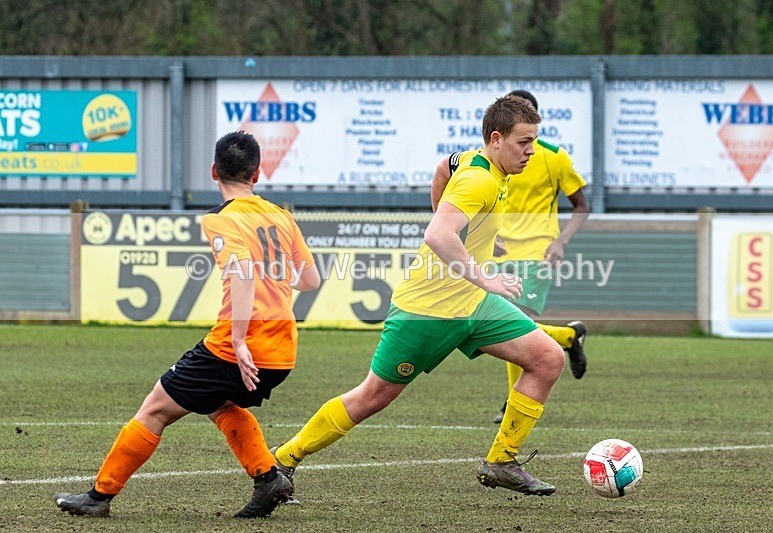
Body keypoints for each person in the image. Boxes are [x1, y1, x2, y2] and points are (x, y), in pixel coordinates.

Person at [272, 95, 565, 498]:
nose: (531, 151)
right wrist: (485, 277)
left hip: (472, 306)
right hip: (426, 311)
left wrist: (467, 241)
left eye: (534, 140)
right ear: (496, 139)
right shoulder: (479, 179)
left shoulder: (473, 161)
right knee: (372, 396)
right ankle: (283, 459)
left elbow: (443, 170)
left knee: (548, 358)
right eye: (523, 142)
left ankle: (502, 460)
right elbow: (437, 234)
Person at [55, 131, 321, 519]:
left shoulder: (221, 220)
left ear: (214, 171)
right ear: (257, 175)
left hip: (237, 348)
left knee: (154, 410)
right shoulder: (280, 216)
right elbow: (310, 280)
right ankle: (268, 478)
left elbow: (244, 273)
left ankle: (98, 497)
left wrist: (239, 340)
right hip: (282, 350)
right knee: (217, 404)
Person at [431, 90, 591, 424]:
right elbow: (444, 171)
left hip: (537, 252)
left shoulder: (554, 157)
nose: (526, 148)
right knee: (512, 326)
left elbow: (581, 204)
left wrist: (561, 241)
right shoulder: (484, 157)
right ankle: (568, 336)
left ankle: (511, 404)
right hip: (496, 254)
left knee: (513, 322)